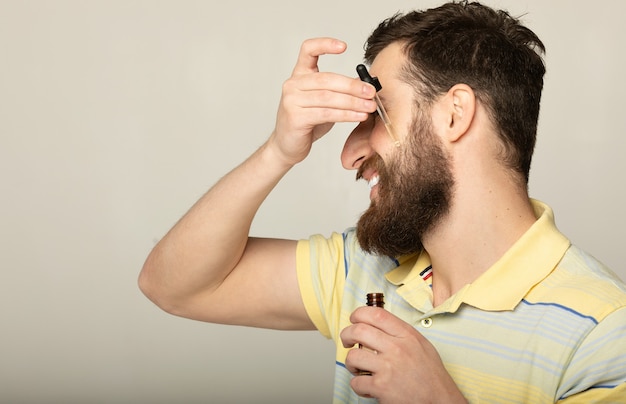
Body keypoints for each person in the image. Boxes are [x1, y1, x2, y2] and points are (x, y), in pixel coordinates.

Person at [138, 1, 626, 402]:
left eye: (377, 112)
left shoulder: (605, 334)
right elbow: (173, 286)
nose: (349, 153)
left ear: (455, 114)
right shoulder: (363, 269)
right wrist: (278, 152)